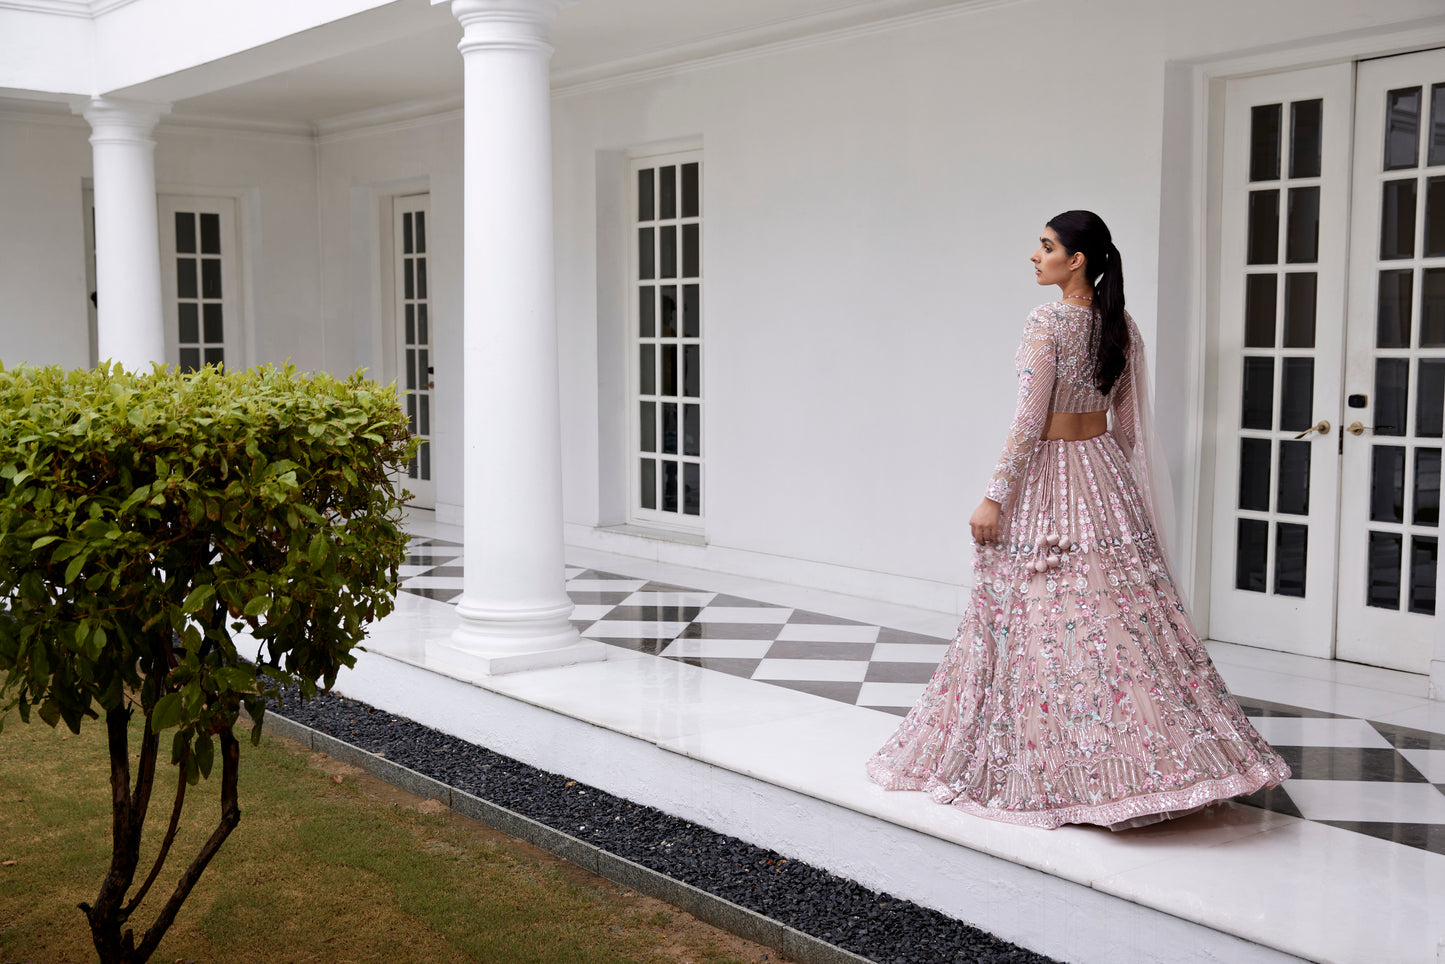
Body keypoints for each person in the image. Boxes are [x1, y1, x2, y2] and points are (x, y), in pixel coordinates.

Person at [865, 210, 1290, 830]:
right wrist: (1120, 493)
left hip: (1048, 475)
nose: (1034, 257)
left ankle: (1071, 765)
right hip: (1102, 471)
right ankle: (1162, 760)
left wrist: (994, 495)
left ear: (1077, 260)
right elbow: (1130, 431)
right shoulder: (1122, 326)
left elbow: (1028, 421)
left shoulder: (1048, 321)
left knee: (1047, 615)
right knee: (1114, 620)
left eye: (1045, 247)